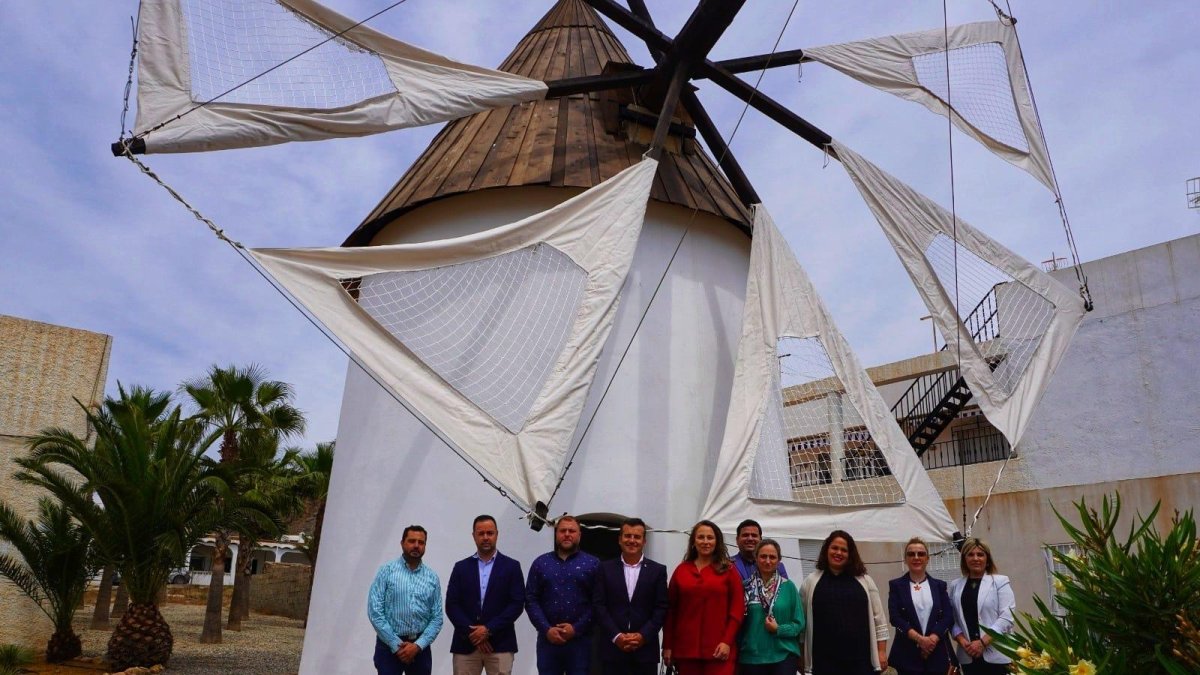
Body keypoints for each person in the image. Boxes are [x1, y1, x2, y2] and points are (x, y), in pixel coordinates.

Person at [445, 515, 527, 675]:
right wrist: (473, 634)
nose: (485, 537)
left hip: (501, 643)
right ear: (473, 535)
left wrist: (488, 630)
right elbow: (452, 604)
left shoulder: (512, 567)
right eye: (481, 533)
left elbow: (516, 604)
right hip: (465, 645)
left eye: (490, 533)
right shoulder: (460, 568)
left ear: (497, 534)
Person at [663, 520, 745, 675]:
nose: (705, 542)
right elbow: (671, 610)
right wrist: (667, 645)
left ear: (717, 542)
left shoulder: (728, 571)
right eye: (701, 537)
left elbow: (737, 610)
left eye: (710, 538)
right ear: (693, 541)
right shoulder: (681, 571)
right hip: (686, 651)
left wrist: (726, 641)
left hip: (719, 650)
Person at [800, 530, 888, 675]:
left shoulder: (865, 581)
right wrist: (802, 654)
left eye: (844, 550)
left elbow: (879, 619)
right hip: (823, 661)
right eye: (834, 548)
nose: (838, 553)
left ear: (850, 554)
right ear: (826, 549)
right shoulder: (810, 582)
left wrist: (882, 651)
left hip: (860, 660)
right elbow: (802, 624)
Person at [592, 517, 669, 675]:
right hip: (613, 650)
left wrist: (643, 636)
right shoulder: (604, 569)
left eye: (637, 537)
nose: (632, 540)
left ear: (644, 541)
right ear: (620, 539)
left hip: (645, 651)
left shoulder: (657, 571)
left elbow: (661, 608)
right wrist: (617, 635)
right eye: (627, 536)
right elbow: (599, 605)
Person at [525, 515, 601, 675]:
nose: (567, 534)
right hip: (548, 641)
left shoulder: (593, 564)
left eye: (571, 531)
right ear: (556, 534)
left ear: (579, 535)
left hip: (580, 641)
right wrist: (546, 629)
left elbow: (598, 602)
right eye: (562, 531)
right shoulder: (541, 563)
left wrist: (576, 628)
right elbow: (531, 599)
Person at [367, 525, 445, 675]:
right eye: (412, 541)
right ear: (402, 543)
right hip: (388, 647)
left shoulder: (432, 578)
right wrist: (396, 645)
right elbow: (375, 612)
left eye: (421, 542)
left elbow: (437, 617)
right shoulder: (387, 571)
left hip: (420, 648)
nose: (416, 545)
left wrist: (417, 646)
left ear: (425, 546)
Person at [887, 537, 955, 675]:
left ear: (928, 558)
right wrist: (920, 639)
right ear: (905, 559)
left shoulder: (939, 586)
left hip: (937, 655)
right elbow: (895, 618)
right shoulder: (896, 586)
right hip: (906, 656)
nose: (916, 557)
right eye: (911, 554)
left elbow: (948, 617)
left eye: (921, 554)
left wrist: (932, 640)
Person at [948, 538, 1015, 675]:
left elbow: (1007, 617)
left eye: (980, 554)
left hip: (998, 655)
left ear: (987, 559)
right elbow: (952, 618)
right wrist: (962, 641)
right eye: (970, 555)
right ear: (964, 559)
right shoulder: (955, 585)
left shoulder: (1000, 582)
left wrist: (982, 643)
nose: (975, 558)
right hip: (968, 655)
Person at [737, 539, 804, 675]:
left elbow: (800, 623)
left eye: (772, 557)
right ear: (756, 558)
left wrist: (779, 629)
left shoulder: (788, 587)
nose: (767, 561)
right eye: (763, 556)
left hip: (783, 655)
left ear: (779, 560)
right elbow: (738, 623)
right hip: (751, 658)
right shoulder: (745, 587)